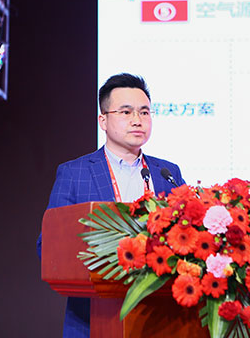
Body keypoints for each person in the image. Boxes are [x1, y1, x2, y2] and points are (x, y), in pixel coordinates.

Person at [37, 73, 186, 338]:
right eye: (126, 112)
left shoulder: (168, 173)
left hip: (163, 319)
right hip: (94, 318)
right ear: (103, 120)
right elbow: (48, 246)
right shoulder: (75, 173)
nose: (137, 120)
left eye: (144, 112)